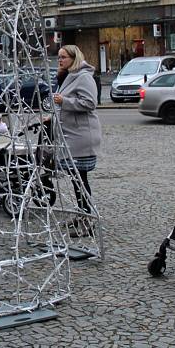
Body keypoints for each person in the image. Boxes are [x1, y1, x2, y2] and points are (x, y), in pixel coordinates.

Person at [53, 45, 102, 234]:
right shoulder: (68, 76)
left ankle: (87, 221)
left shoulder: (83, 77)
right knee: (76, 180)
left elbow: (90, 103)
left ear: (74, 58)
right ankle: (82, 215)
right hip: (71, 136)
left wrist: (64, 102)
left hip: (81, 137)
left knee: (80, 180)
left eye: (63, 57)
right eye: (59, 57)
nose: (60, 60)